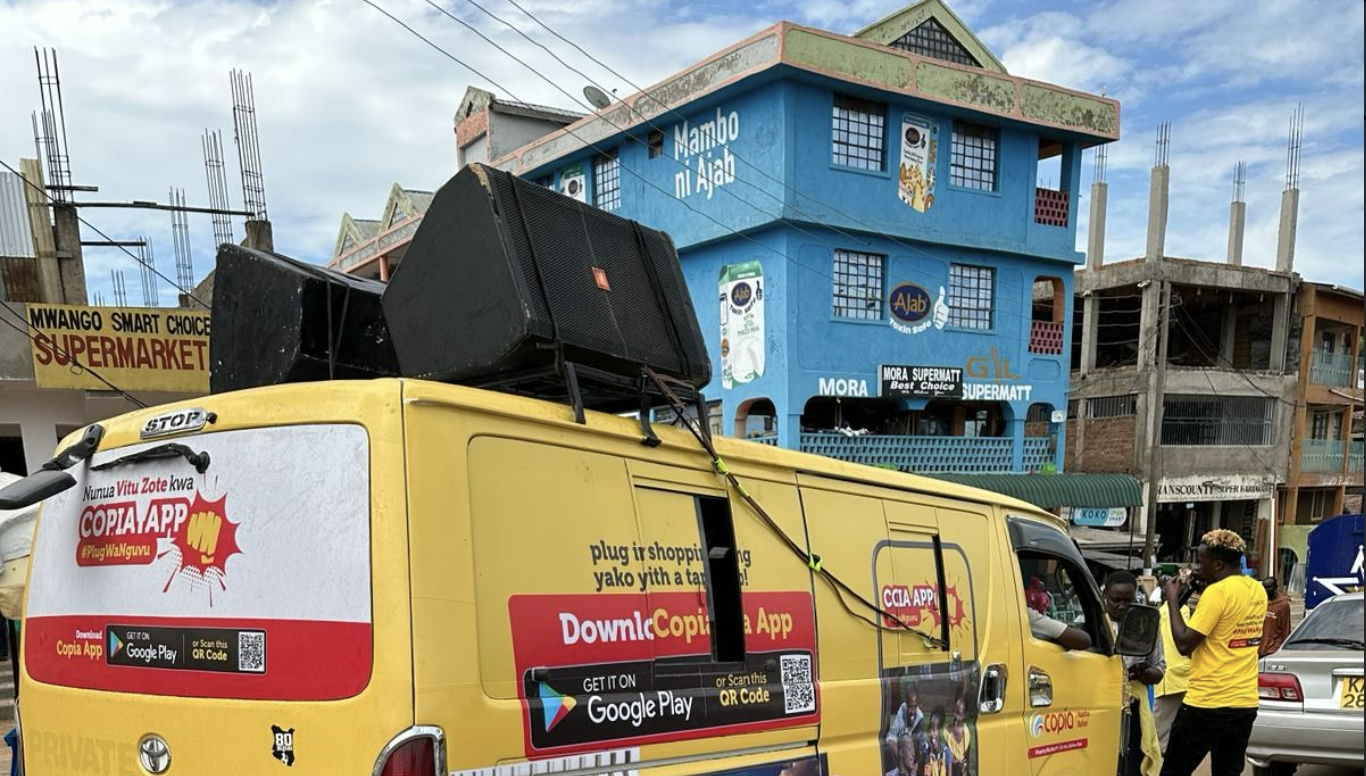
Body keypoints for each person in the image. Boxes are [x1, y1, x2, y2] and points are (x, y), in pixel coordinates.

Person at [1159, 530, 1268, 776]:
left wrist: (1173, 599)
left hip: (1207, 703)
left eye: (1201, 561)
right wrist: (1203, 586)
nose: (1198, 567)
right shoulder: (1257, 589)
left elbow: (1185, 644)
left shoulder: (1216, 594)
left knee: (1173, 771)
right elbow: (1225, 628)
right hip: (1244, 703)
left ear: (1218, 564)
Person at [1104, 570, 1164, 776]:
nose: (1121, 606)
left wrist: (1143, 672)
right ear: (1105, 596)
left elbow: (1160, 669)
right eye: (1115, 600)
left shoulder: (1147, 625)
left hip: (1134, 707)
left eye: (1127, 600)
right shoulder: (1093, 623)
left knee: (1133, 764)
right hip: (1099, 708)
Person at [1152, 592, 1195, 753]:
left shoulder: (1161, 613)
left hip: (1169, 677)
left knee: (1157, 733)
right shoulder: (1188, 612)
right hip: (1187, 674)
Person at [885, 677, 924, 755]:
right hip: (900, 752)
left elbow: (917, 749)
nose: (912, 711)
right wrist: (900, 758)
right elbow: (891, 737)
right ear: (906, 705)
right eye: (910, 707)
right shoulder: (902, 710)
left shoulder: (920, 718)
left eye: (915, 707)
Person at [1259, 577, 1292, 657]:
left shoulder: (1283, 605)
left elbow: (1286, 628)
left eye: (1269, 587)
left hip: (1274, 647)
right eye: (1265, 588)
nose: (1266, 590)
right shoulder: (1260, 601)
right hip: (1260, 646)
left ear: (1275, 587)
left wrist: (1284, 649)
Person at [944, 693, 971, 776]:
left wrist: (962, 766)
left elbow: (966, 759)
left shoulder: (966, 734)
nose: (956, 716)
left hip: (961, 770)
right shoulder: (947, 731)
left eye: (959, 714)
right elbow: (948, 756)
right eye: (955, 712)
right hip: (950, 768)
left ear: (965, 715)